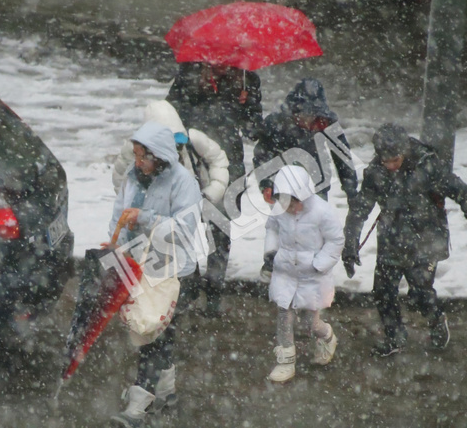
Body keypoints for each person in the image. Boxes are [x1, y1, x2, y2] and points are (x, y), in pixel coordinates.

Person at [342, 123, 467, 357]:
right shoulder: (375, 172)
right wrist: (350, 244)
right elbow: (359, 210)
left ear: (404, 151)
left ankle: (436, 320)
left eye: (395, 159)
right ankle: (395, 337)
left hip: (426, 239)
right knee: (383, 291)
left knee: (420, 294)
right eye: (385, 160)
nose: (390, 165)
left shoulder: (428, 166)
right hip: (391, 239)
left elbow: (462, 193)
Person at [106, 121, 202, 427]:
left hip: (173, 272)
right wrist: (116, 248)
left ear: (158, 155)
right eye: (134, 155)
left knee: (151, 336)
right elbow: (117, 216)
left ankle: (138, 406)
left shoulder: (183, 182)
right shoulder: (132, 179)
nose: (137, 162)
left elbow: (185, 231)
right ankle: (165, 392)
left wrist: (146, 218)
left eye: (142, 156)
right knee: (160, 334)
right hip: (141, 269)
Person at [112, 100, 230, 317]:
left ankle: (203, 296)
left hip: (194, 203)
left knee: (208, 242)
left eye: (178, 143)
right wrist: (134, 206)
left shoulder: (193, 142)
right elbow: (121, 181)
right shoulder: (134, 152)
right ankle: (180, 303)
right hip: (158, 215)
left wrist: (212, 192)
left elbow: (218, 159)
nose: (176, 149)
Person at [166, 62, 264, 303]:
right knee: (187, 222)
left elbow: (254, 131)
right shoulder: (188, 75)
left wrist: (247, 105)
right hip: (191, 160)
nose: (221, 64)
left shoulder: (246, 79)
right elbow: (169, 116)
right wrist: (196, 94)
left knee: (220, 228)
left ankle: (214, 291)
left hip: (228, 161)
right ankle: (188, 285)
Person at [263, 165, 344, 383]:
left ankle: (326, 336)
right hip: (285, 271)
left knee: (310, 323)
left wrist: (319, 264)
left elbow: (336, 240)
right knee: (284, 315)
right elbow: (271, 228)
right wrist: (270, 254)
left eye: (293, 202)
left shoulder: (322, 212)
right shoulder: (279, 211)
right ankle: (285, 360)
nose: (289, 208)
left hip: (311, 275)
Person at [252, 78, 358, 205]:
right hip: (283, 180)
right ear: (295, 111)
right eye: (306, 115)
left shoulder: (325, 122)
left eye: (314, 115)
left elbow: (342, 156)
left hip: (316, 178)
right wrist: (266, 184)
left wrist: (350, 189)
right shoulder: (276, 123)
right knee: (288, 221)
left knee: (318, 217)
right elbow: (262, 155)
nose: (310, 122)